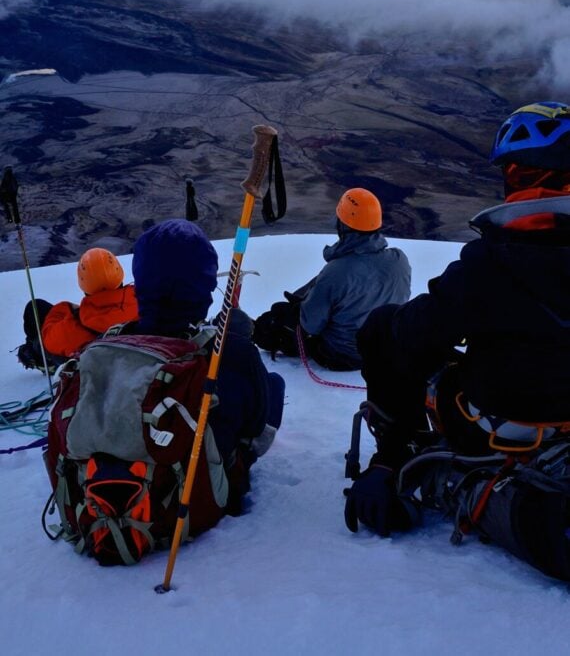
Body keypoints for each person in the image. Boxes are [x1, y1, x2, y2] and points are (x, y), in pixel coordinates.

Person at [345, 101, 570, 537]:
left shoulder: (488, 264)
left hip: (491, 431)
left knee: (384, 327)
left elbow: (413, 332)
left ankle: (395, 454)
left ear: (522, 178)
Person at [121, 218, 285, 509]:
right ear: (204, 285)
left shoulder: (114, 347)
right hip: (202, 491)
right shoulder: (230, 353)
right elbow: (256, 425)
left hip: (119, 490)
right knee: (273, 384)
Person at [253, 188, 411, 371]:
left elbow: (310, 326)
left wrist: (298, 310)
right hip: (383, 349)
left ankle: (245, 332)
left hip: (342, 354)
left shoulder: (337, 271)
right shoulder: (399, 259)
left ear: (342, 224)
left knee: (278, 318)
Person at [17, 248, 139, 372]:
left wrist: (66, 308)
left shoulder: (72, 327)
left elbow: (47, 339)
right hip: (132, 359)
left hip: (87, 361)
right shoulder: (145, 305)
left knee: (36, 308)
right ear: (120, 276)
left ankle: (39, 359)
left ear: (83, 284)